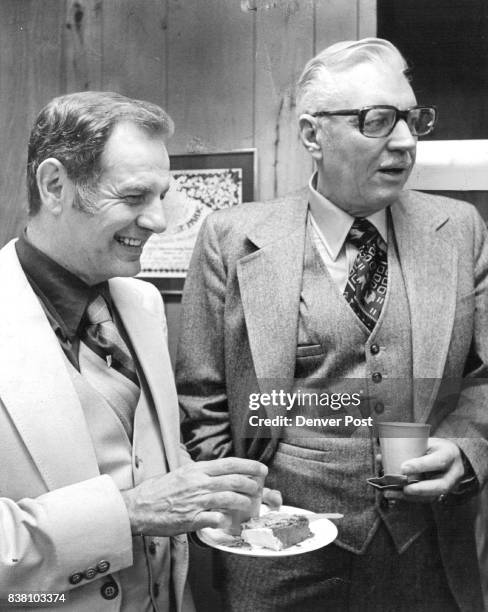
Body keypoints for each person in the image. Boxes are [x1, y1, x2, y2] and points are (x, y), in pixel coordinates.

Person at [176, 38, 488, 611]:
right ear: (312, 135)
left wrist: (466, 450)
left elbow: (483, 378)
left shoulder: (461, 229)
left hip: (424, 551)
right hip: (275, 554)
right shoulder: (231, 236)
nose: (404, 140)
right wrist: (245, 507)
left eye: (412, 118)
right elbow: (202, 398)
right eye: (377, 120)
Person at [0, 91, 271, 612]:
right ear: (54, 186)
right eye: (132, 197)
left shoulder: (141, 302)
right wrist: (126, 514)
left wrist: (213, 490)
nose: (158, 221)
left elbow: (143, 452)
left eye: (161, 195)